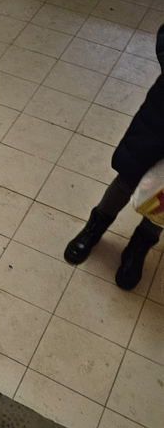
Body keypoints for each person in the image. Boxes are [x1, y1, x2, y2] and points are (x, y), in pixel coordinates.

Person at [64, 24, 164, 289]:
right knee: (128, 175)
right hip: (160, 116)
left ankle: (139, 246)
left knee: (163, 198)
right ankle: (95, 226)